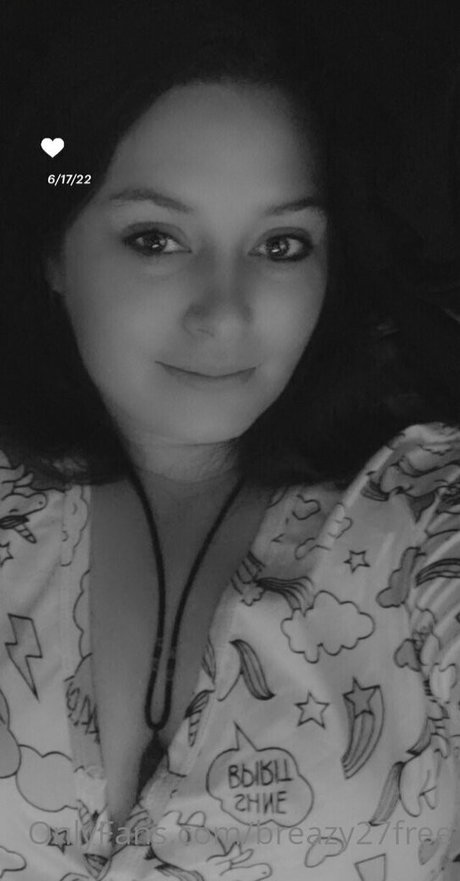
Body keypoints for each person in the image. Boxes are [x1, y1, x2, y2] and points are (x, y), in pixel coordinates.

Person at [0, 1, 459, 878]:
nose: (224, 313)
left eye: (282, 245)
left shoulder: (421, 521)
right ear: (55, 252)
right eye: (156, 238)